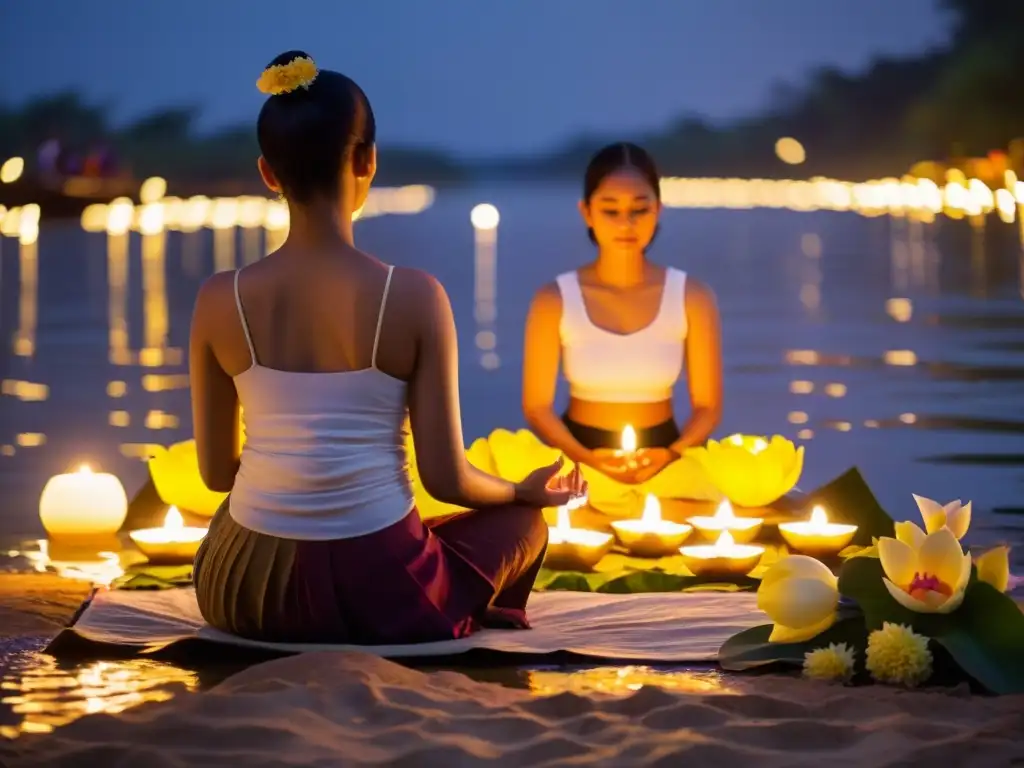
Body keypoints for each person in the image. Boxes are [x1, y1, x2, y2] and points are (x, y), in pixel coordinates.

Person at [190, 51, 585, 645]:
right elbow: (447, 477)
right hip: (382, 592)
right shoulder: (415, 296)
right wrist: (520, 492)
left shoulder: (219, 299)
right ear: (368, 161)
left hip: (244, 592)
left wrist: (295, 481)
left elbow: (218, 474)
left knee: (249, 516)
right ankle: (471, 605)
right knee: (521, 525)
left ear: (268, 174)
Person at [522, 142, 723, 486]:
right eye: (611, 210)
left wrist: (672, 454)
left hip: (665, 453)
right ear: (587, 212)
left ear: (658, 210)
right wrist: (585, 459)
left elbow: (708, 406)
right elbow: (537, 407)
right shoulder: (554, 298)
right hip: (576, 453)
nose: (626, 223)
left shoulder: (692, 296)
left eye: (639, 209)